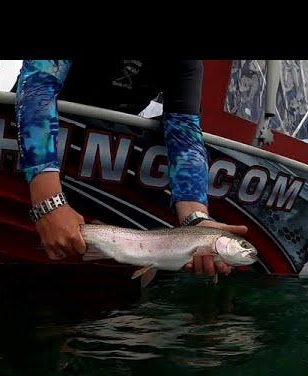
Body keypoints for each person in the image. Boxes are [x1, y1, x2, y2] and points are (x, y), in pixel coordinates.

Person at [16, 59, 248, 278]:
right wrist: (48, 201)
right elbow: (38, 89)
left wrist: (196, 222)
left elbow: (184, 132)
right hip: (23, 138)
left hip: (102, 151)